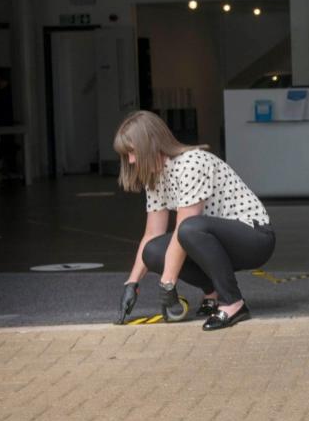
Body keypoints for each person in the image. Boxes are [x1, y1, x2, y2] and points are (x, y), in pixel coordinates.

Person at [113, 110, 276, 331]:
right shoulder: (155, 177)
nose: (130, 160)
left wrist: (167, 285)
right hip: (214, 240)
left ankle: (233, 303)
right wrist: (132, 283)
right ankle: (213, 292)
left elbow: (185, 228)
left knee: (189, 229)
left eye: (132, 152)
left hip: (254, 237)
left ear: (150, 144)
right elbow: (152, 234)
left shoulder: (191, 163)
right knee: (151, 251)